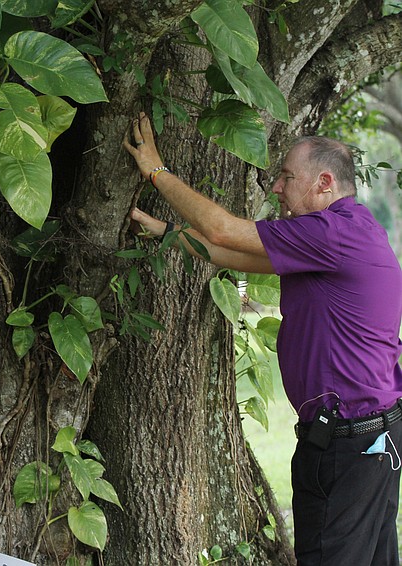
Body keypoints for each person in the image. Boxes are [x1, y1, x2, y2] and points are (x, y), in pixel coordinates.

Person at [124, 112, 402, 565]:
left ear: (324, 183)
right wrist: (166, 232)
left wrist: (157, 171)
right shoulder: (347, 232)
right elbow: (229, 252)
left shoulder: (333, 233)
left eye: (287, 177)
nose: (276, 187)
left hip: (351, 447)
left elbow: (223, 230)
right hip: (370, 441)